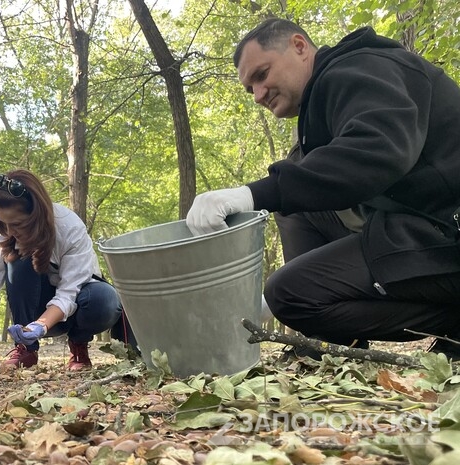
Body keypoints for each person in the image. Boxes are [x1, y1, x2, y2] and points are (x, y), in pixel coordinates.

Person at [186, 18, 460, 358]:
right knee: (295, 200)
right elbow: (319, 181)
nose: (258, 95)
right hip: (417, 227)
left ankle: (454, 323)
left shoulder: (362, 67)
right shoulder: (325, 106)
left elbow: (379, 151)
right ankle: (329, 337)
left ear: (299, 47)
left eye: (262, 74)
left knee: (287, 293)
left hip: (446, 233)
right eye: (249, 89)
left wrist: (250, 194)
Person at [0, 170, 135, 373]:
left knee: (103, 299)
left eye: (16, 224)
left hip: (80, 305)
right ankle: (26, 348)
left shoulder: (69, 227)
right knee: (17, 265)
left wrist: (42, 325)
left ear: (35, 215)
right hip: (35, 309)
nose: (9, 231)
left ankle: (79, 346)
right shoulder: (2, 238)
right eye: (2, 222)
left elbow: (68, 293)